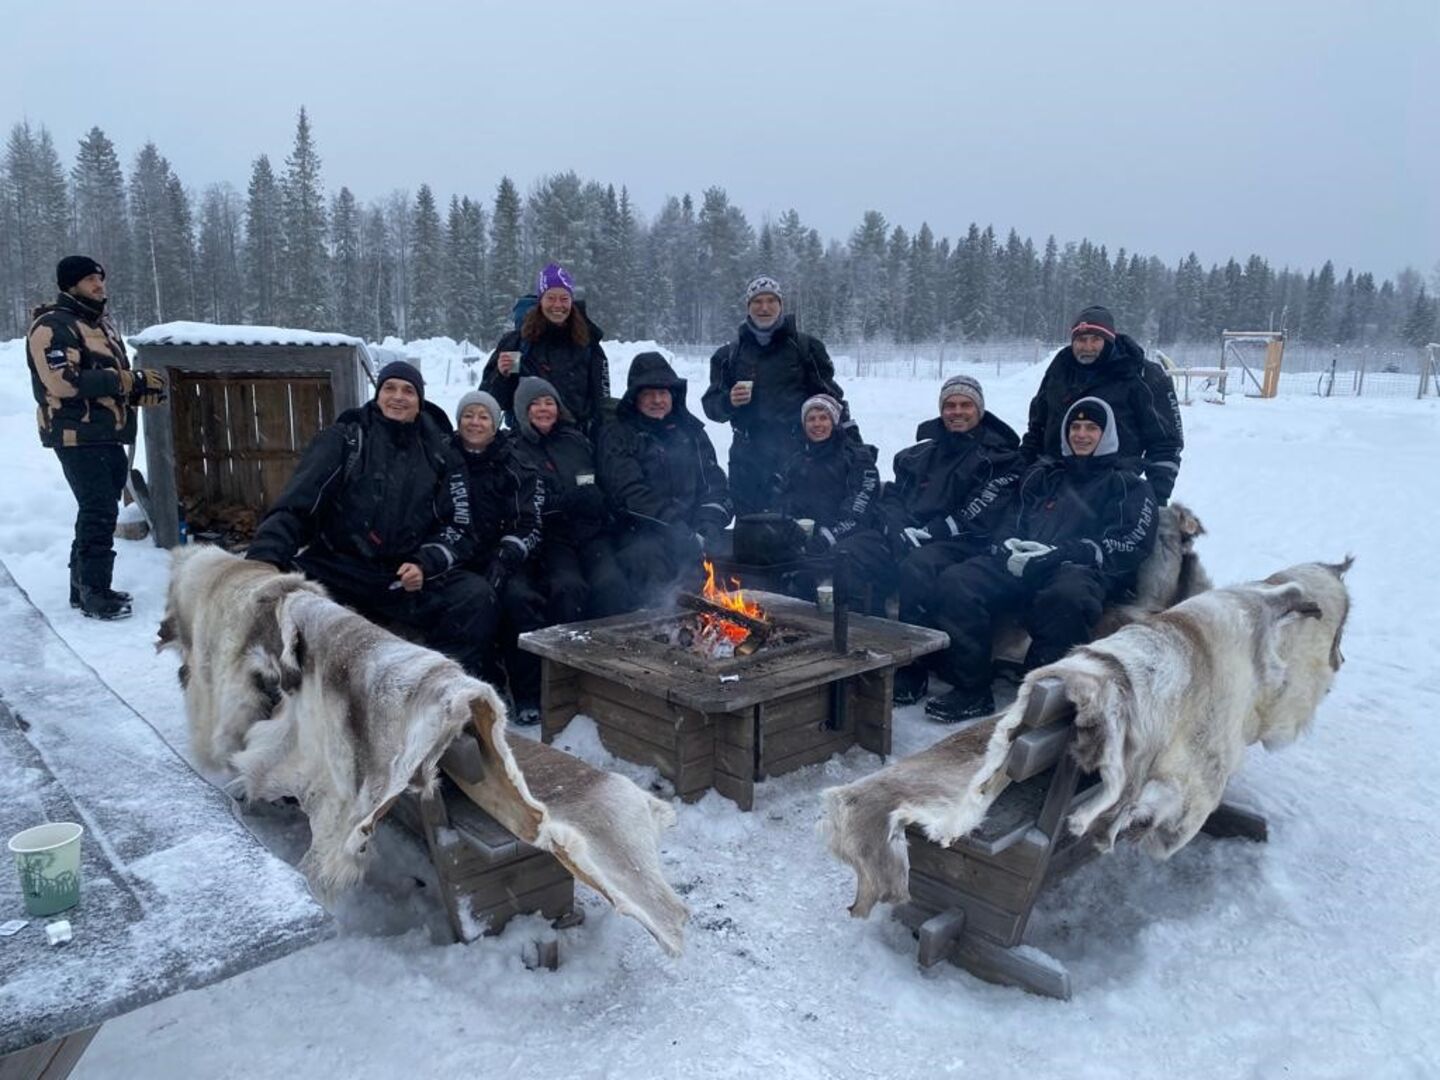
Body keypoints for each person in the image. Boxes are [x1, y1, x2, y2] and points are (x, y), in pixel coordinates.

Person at [245, 360, 497, 678]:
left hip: (403, 578)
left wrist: (426, 562)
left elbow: (459, 527)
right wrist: (261, 562)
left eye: (408, 390)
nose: (398, 397)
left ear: (420, 401)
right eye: (389, 388)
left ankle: (450, 687)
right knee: (281, 595)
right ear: (377, 395)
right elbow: (296, 507)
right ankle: (273, 688)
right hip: (340, 569)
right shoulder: (346, 440)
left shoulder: (442, 454)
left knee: (475, 596)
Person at [924, 396, 1158, 723]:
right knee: (958, 581)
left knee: (1066, 597)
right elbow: (1012, 515)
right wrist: (1007, 544)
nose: (1081, 434)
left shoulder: (1127, 484)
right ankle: (971, 688)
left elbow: (1132, 540)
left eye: (1091, 428)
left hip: (1082, 568)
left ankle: (1039, 697)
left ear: (1106, 435)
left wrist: (1066, 553)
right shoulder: (1045, 474)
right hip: (1026, 560)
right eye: (1075, 427)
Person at [25, 255, 167, 620]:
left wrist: (136, 392)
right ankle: (95, 592)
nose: (99, 285)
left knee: (97, 510)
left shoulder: (101, 326)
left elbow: (107, 376)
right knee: (99, 511)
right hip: (76, 433)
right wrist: (126, 381)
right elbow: (62, 381)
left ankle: (83, 587)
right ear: (70, 285)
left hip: (106, 432)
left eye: (100, 278)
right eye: (90, 279)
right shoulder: (52, 326)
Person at [880, 375, 1025, 703]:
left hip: (972, 541)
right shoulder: (919, 456)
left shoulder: (999, 457)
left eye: (965, 405)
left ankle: (919, 666)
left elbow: (984, 507)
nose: (956, 412)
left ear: (980, 410)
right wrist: (899, 528)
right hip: (919, 535)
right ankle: (868, 657)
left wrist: (933, 532)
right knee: (862, 557)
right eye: (949, 405)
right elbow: (892, 497)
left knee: (921, 568)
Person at [702, 275, 853, 515]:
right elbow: (711, 408)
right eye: (757, 301)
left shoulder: (806, 348)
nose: (764, 307)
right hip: (746, 456)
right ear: (747, 308)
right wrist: (728, 401)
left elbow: (831, 400)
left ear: (781, 305)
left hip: (798, 454)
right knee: (750, 532)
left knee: (798, 531)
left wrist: (853, 447)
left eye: (771, 300)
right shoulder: (728, 355)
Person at [600, 351, 732, 607]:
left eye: (662, 393)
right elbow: (629, 493)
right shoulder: (619, 434)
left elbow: (715, 483)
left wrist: (708, 523)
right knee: (649, 560)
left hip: (692, 528)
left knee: (727, 557)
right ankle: (658, 628)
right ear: (635, 398)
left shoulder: (692, 432)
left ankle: (714, 629)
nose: (657, 400)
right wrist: (675, 528)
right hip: (639, 532)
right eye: (648, 394)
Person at [450, 389, 547, 723]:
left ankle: (527, 692)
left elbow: (530, 520)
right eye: (468, 415)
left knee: (520, 601)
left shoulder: (515, 461)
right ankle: (484, 683)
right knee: (470, 603)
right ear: (459, 420)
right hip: (457, 555)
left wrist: (505, 556)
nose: (475, 422)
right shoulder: (443, 457)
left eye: (483, 416)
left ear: (495, 424)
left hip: (507, 555)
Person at [1022, 305, 1183, 505]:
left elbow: (1166, 443)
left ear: (1109, 340)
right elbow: (1037, 428)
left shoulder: (1141, 375)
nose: (1087, 347)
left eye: (1095, 339)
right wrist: (1023, 474)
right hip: (1054, 486)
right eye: (1081, 340)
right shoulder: (1060, 369)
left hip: (1114, 491)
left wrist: (1155, 498)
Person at [510, 376, 628, 620]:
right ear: (523, 410)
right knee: (568, 587)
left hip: (590, 533)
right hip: (550, 539)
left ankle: (608, 647)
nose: (544, 409)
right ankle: (564, 652)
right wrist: (566, 501)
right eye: (535, 404)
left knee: (611, 584)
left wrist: (598, 498)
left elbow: (591, 478)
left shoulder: (575, 441)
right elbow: (526, 503)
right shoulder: (515, 450)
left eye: (549, 402)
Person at [774, 394, 887, 612]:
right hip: (812, 536)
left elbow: (860, 508)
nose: (817, 424)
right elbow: (783, 499)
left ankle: (852, 625)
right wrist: (787, 525)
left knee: (833, 563)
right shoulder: (797, 460)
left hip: (860, 538)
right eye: (811, 419)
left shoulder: (857, 458)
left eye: (823, 418)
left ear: (834, 421)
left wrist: (828, 536)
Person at [480, 263, 611, 438]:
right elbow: (493, 402)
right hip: (526, 443)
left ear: (572, 301)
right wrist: (501, 375)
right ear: (540, 300)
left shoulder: (588, 343)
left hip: (576, 442)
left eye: (564, 299)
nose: (558, 305)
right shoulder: (518, 343)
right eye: (551, 298)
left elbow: (602, 402)